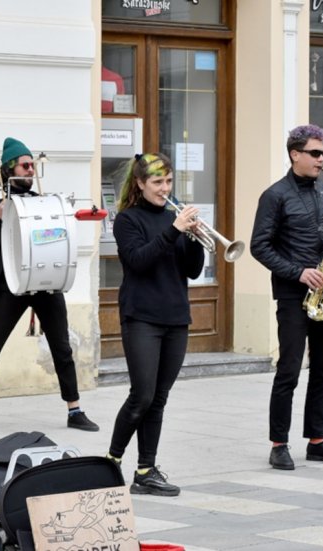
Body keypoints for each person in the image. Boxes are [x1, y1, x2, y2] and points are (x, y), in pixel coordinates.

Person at [0, 137, 100, 435]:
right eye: (25, 165)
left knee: (62, 349)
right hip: (10, 286)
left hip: (46, 286)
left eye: (33, 165)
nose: (31, 170)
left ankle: (75, 410)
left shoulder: (45, 203)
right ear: (9, 170)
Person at [251, 124, 323, 471]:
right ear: (295, 154)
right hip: (293, 294)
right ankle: (278, 444)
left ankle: (317, 439)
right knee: (289, 371)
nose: (321, 159)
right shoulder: (274, 195)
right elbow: (259, 246)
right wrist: (298, 272)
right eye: (315, 153)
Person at [105, 153, 204, 496]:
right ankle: (111, 461)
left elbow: (191, 270)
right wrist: (173, 232)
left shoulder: (172, 218)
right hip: (142, 316)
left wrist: (192, 237)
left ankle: (146, 469)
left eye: (169, 182)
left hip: (176, 316)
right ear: (140, 184)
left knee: (159, 398)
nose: (165, 189)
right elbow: (137, 261)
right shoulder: (127, 221)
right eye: (158, 182)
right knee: (141, 395)